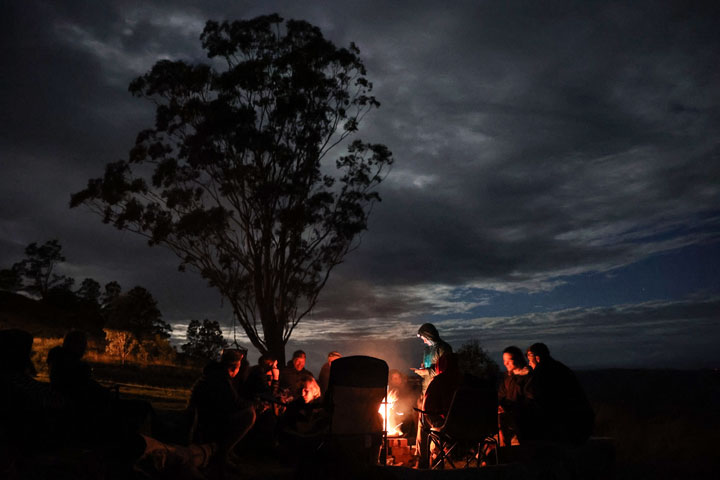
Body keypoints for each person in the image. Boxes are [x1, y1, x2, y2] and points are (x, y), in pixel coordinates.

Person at [188, 348, 256, 464]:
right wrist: (254, 403)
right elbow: (235, 403)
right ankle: (222, 452)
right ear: (234, 367)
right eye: (239, 366)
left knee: (247, 411)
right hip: (208, 421)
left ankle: (228, 451)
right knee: (250, 414)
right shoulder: (222, 380)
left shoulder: (214, 374)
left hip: (204, 415)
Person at [524, 343, 594, 444]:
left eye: (530, 360)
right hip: (582, 421)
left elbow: (536, 396)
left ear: (537, 358)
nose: (529, 364)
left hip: (567, 425)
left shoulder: (541, 372)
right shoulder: (560, 367)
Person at [416, 352, 461, 468]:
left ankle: (424, 461)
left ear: (440, 366)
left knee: (423, 419)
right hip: (471, 427)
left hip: (448, 428)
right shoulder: (466, 380)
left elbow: (428, 407)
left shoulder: (439, 381)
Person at [497, 345, 531, 446]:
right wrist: (499, 405)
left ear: (518, 359)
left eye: (509, 360)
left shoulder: (527, 377)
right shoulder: (508, 378)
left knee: (502, 420)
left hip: (522, 415)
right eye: (504, 360)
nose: (505, 363)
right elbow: (501, 395)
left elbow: (529, 400)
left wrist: (510, 408)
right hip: (507, 413)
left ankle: (505, 451)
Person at [411, 323, 452, 393]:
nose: (424, 341)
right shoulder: (427, 350)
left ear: (430, 336)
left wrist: (427, 371)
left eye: (425, 339)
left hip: (438, 389)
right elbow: (427, 372)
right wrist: (422, 371)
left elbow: (445, 369)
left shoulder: (443, 348)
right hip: (426, 388)